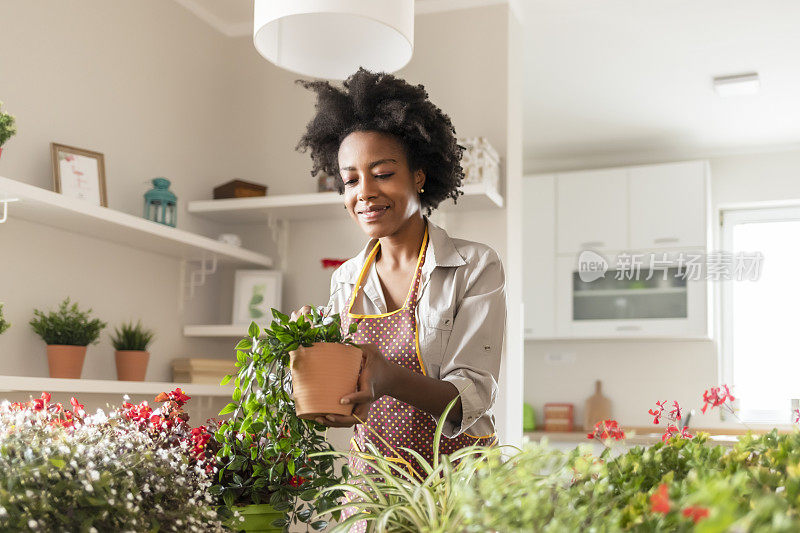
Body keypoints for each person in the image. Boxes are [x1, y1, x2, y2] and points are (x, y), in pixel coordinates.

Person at [293, 67, 506, 530]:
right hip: (374, 493)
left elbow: (472, 398)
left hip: (456, 489)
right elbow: (347, 402)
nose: (364, 193)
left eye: (383, 173)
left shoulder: (474, 266)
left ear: (421, 177)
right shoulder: (347, 280)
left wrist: (387, 377)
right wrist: (309, 359)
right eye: (349, 181)